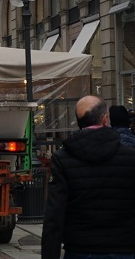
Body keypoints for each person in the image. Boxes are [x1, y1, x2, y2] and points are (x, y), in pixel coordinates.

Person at [42, 95, 135, 259]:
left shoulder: (63, 158)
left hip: (80, 248)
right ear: (105, 119)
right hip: (124, 247)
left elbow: (55, 213)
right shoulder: (130, 157)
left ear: (79, 122)